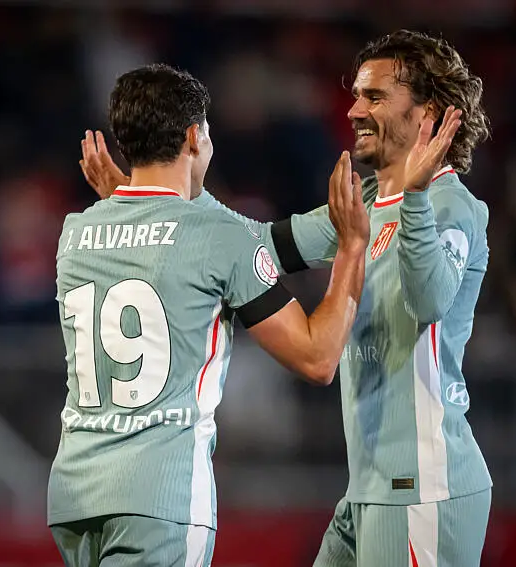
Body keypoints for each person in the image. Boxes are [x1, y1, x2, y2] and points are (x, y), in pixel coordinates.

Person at [81, 30, 491, 567]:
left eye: (374, 97)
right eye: (355, 95)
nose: (352, 110)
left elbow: (430, 299)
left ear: (428, 114)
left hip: (426, 487)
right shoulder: (364, 204)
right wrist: (148, 202)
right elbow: (253, 247)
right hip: (368, 489)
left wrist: (413, 199)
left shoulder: (453, 207)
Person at [49, 63, 378, 567]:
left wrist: (123, 197)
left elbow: (170, 240)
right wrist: (354, 247)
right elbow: (318, 357)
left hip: (75, 497)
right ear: (193, 137)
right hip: (160, 497)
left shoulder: (75, 233)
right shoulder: (214, 237)